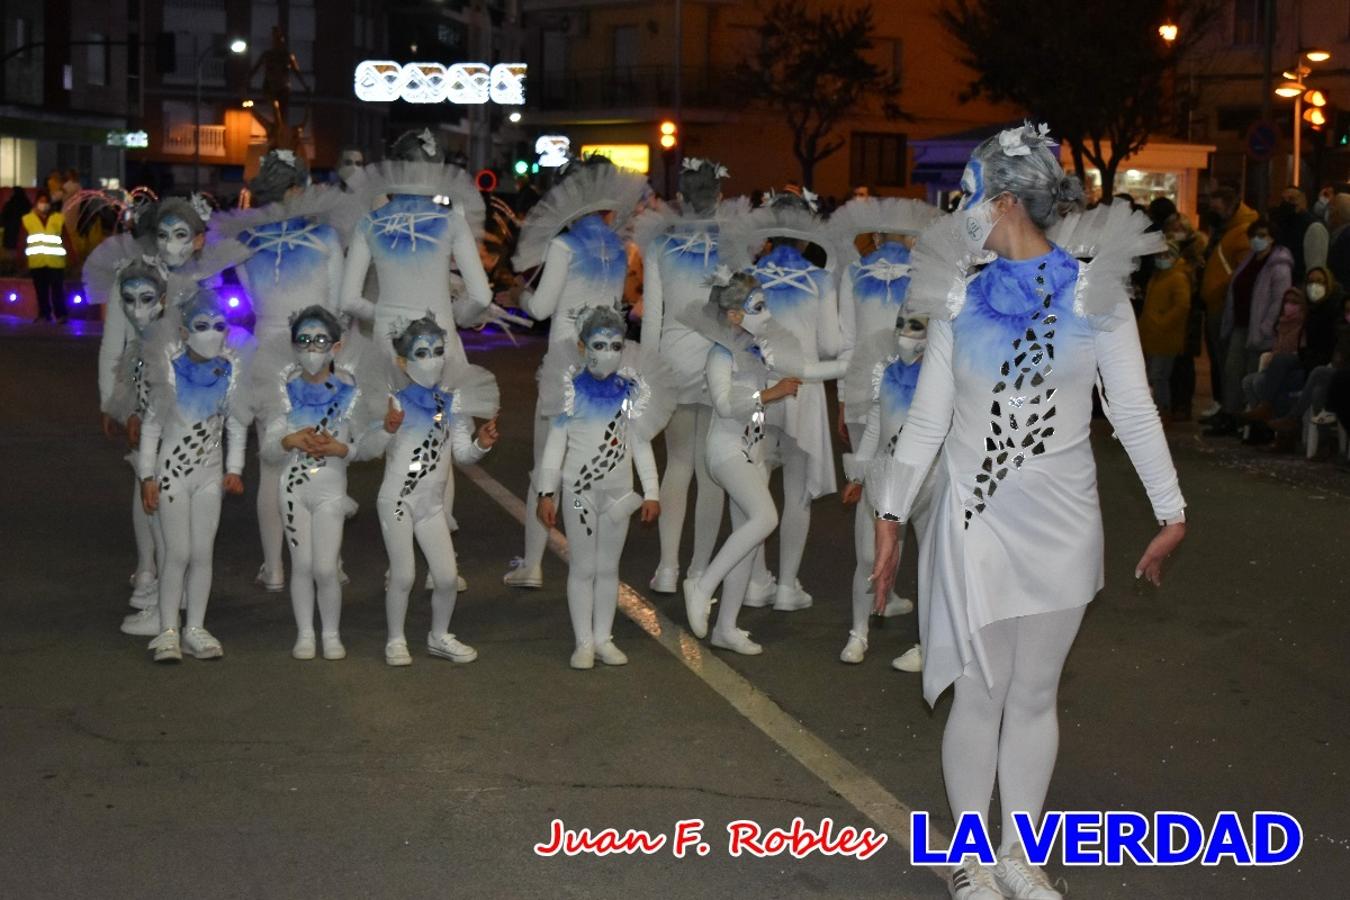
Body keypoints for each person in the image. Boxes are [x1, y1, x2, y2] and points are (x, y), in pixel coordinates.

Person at [869, 124, 1186, 899]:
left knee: (1036, 693)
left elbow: (1134, 410)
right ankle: (972, 858)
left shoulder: (1097, 293)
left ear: (1006, 201)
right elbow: (928, 422)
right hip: (977, 520)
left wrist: (1172, 509)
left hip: (1065, 518)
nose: (962, 210)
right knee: (981, 691)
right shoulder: (956, 296)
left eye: (973, 194)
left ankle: (1021, 853)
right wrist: (888, 517)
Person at [213, 148, 359, 593]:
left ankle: (274, 567)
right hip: (317, 350)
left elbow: (248, 295)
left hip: (266, 351)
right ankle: (327, 564)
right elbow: (337, 308)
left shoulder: (246, 239)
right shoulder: (326, 239)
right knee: (327, 452)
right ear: (298, 189)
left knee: (273, 462)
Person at [504, 155, 646, 590]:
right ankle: (598, 557)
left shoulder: (564, 246)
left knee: (546, 465)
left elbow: (542, 308)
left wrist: (518, 297)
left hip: (566, 363)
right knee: (599, 459)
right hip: (606, 364)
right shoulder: (618, 246)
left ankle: (532, 564)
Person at [827, 194, 940, 635]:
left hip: (861, 389)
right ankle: (887, 589)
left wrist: (842, 398)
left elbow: (848, 342)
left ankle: (877, 588)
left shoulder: (854, 271)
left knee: (874, 494)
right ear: (912, 236)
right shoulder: (925, 275)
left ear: (876, 233)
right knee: (913, 489)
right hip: (914, 391)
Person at [725, 190, 842, 611]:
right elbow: (830, 344)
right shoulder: (820, 278)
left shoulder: (746, 274)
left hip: (758, 388)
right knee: (797, 494)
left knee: (754, 487)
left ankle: (756, 581)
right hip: (803, 390)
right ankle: (788, 585)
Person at [535, 305, 671, 668]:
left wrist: (653, 491)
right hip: (579, 496)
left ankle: (603, 638)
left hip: (618, 495)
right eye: (600, 344)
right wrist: (546, 492)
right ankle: (583, 642)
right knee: (583, 566)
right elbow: (555, 444)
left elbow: (640, 443)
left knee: (609, 567)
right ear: (583, 347)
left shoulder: (631, 393)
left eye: (615, 345)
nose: (608, 352)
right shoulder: (569, 391)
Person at [635, 157, 747, 595]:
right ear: (719, 196)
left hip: (674, 358)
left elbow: (652, 316)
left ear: (680, 198)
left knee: (677, 463)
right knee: (710, 468)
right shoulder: (734, 244)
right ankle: (699, 569)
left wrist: (646, 368)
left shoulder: (660, 245)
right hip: (718, 357)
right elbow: (740, 311)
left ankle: (667, 567)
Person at [677, 272, 801, 654]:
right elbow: (726, 405)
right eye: (757, 307)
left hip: (754, 450)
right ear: (733, 315)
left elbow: (808, 371)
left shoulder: (755, 350)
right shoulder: (721, 353)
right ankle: (702, 584)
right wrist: (772, 392)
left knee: (749, 535)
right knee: (766, 518)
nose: (766, 314)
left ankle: (726, 627)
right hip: (726, 450)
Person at [258, 307, 388, 660]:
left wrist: (341, 448)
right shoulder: (282, 392)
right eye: (304, 340)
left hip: (331, 491)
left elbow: (370, 447)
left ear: (337, 345)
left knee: (325, 567)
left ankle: (330, 633)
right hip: (292, 491)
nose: (312, 347)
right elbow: (269, 449)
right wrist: (290, 441)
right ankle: (304, 634)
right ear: (293, 345)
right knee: (301, 566)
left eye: (320, 340)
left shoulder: (352, 393)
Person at [374, 315, 499, 667]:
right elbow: (366, 447)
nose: (432, 359)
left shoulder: (452, 403)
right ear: (404, 361)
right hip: (398, 501)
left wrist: (482, 444)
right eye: (422, 352)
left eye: (438, 351)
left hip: (431, 506)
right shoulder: (393, 401)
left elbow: (462, 454)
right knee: (404, 575)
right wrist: (385, 428)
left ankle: (439, 636)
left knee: (446, 578)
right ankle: (396, 639)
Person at [138, 289, 252, 663]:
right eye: (202, 326)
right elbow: (152, 427)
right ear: (185, 332)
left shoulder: (229, 370)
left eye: (220, 326)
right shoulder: (169, 369)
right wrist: (147, 476)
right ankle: (168, 629)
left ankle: (195, 627)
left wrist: (234, 469)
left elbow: (236, 424)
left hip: (209, 477)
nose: (213, 333)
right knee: (178, 552)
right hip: (172, 475)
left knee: (203, 553)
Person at [839, 307, 936, 668]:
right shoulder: (888, 373)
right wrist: (857, 474)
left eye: (914, 328)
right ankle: (858, 632)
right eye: (900, 326)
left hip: (928, 479)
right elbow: (877, 428)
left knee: (931, 562)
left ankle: (927, 642)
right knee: (868, 556)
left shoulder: (940, 380)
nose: (903, 335)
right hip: (884, 476)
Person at [101, 258, 170, 636]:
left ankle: (167, 612)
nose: (136, 309)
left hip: (171, 446)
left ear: (162, 298)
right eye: (128, 300)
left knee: (167, 528)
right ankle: (166, 602)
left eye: (146, 299)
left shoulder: (166, 338)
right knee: (162, 526)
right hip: (155, 440)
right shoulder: (146, 338)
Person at [1208, 219, 1293, 435]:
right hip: (1240, 324)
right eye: (1254, 235)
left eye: (1262, 235)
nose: (1257, 240)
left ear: (1272, 238)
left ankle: (1250, 422)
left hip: (1260, 330)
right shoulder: (1249, 260)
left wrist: (1265, 327)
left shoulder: (1279, 265)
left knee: (1251, 374)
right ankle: (1231, 415)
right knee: (1232, 372)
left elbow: (1278, 300)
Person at [1198, 186, 1259, 418]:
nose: (1212, 212)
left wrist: (1222, 291)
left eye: (1216, 207)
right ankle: (1223, 403)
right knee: (1219, 358)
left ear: (1230, 205)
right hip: (1217, 303)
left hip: (1225, 305)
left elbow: (1241, 271)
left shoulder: (1241, 231)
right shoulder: (1225, 229)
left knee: (1227, 360)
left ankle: (1229, 406)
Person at [1139, 240, 1191, 418]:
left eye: (1166, 255)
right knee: (1154, 375)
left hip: (1166, 337)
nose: (1162, 259)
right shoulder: (1158, 276)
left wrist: (1162, 322)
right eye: (1159, 255)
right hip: (1152, 336)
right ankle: (1158, 408)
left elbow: (1182, 306)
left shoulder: (1177, 277)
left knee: (1159, 376)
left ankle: (1163, 409)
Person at [21, 190, 68, 323]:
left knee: (57, 290)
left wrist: (72, 257)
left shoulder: (58, 218)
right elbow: (22, 240)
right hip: (37, 261)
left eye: (46, 201)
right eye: (41, 201)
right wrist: (21, 259)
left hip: (55, 262)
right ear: (36, 203)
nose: (44, 204)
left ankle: (61, 315)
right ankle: (44, 314)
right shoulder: (27, 219)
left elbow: (66, 238)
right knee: (41, 291)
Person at [1, 188, 31, 275]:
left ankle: (8, 271)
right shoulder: (27, 204)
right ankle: (20, 271)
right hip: (23, 234)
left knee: (10, 255)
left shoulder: (9, 204)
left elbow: (3, 219)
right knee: (22, 253)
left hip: (10, 234)